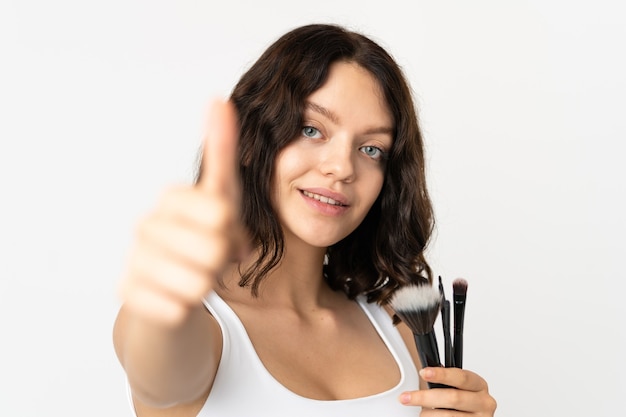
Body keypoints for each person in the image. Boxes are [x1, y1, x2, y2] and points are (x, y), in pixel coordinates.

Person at [113, 23, 497, 416]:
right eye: (311, 129)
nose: (342, 167)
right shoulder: (202, 324)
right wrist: (161, 304)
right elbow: (161, 375)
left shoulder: (399, 328)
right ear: (250, 140)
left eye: (371, 149)